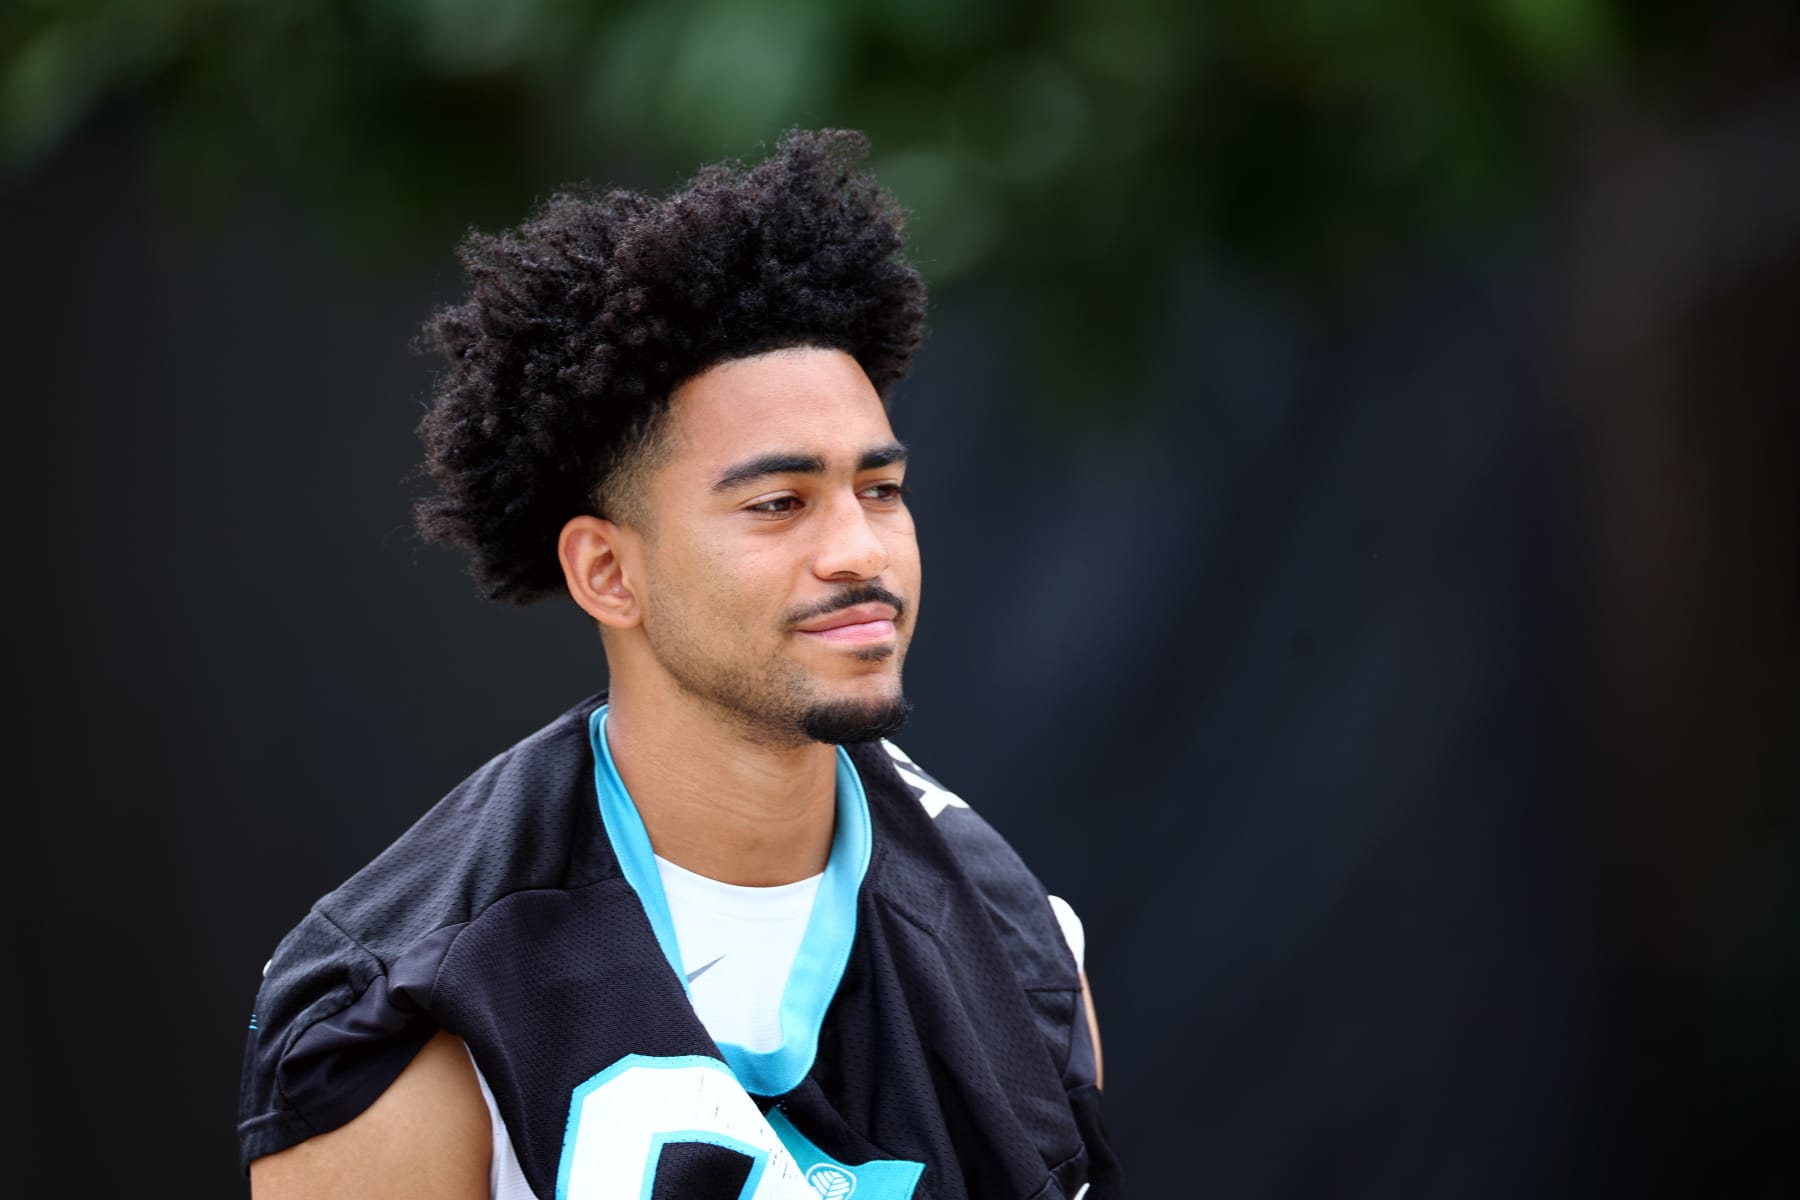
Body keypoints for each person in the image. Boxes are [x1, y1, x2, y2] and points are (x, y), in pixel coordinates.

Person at [238, 129, 1121, 1200]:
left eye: (879, 490)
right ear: (609, 572)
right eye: (778, 503)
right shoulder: (402, 1002)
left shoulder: (1017, 936)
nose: (859, 550)